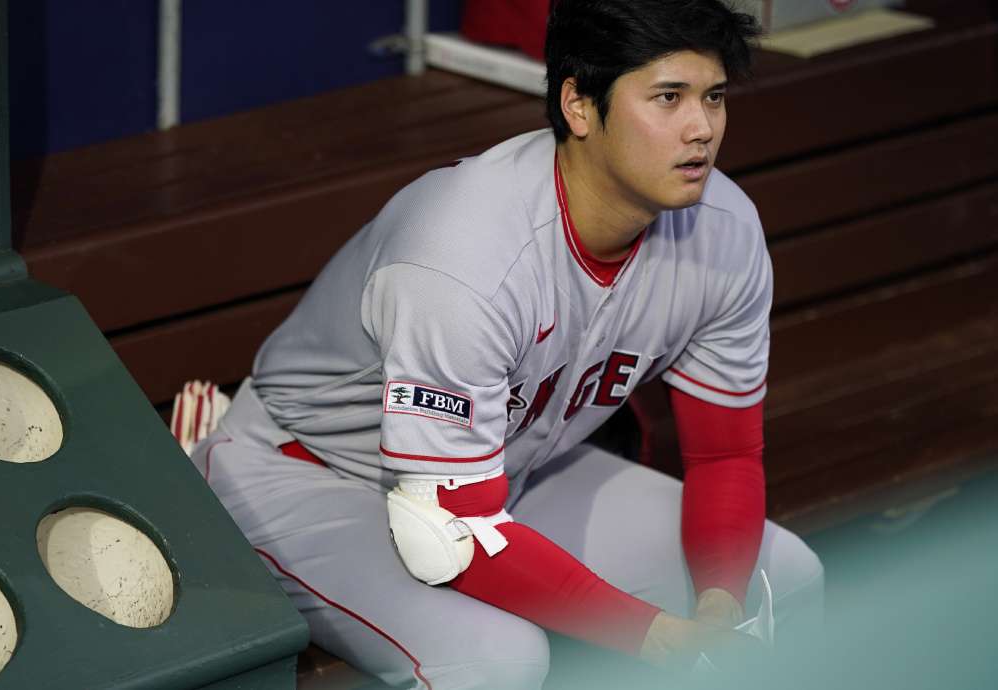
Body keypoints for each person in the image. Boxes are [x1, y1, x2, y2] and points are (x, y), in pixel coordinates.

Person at [188, 1, 824, 687]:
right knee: (496, 662)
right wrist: (660, 636)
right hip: (305, 475)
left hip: (502, 471)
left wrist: (719, 609)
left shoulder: (721, 230)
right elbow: (451, 536)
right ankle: (196, 460)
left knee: (783, 576)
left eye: (714, 97)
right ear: (578, 105)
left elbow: (726, 453)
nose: (701, 129)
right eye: (668, 97)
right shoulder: (463, 256)